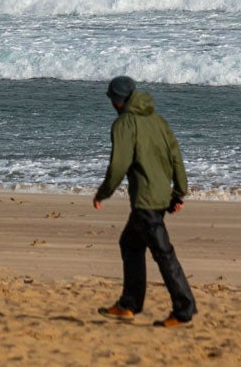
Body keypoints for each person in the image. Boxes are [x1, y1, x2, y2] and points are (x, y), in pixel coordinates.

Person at [92, 75, 197, 327]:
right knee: (130, 244)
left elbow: (119, 164)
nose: (112, 104)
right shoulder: (158, 121)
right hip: (160, 197)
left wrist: (103, 192)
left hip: (146, 201)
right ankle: (129, 304)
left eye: (113, 99)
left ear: (118, 100)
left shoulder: (124, 124)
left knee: (163, 254)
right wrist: (179, 192)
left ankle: (184, 309)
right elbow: (176, 157)